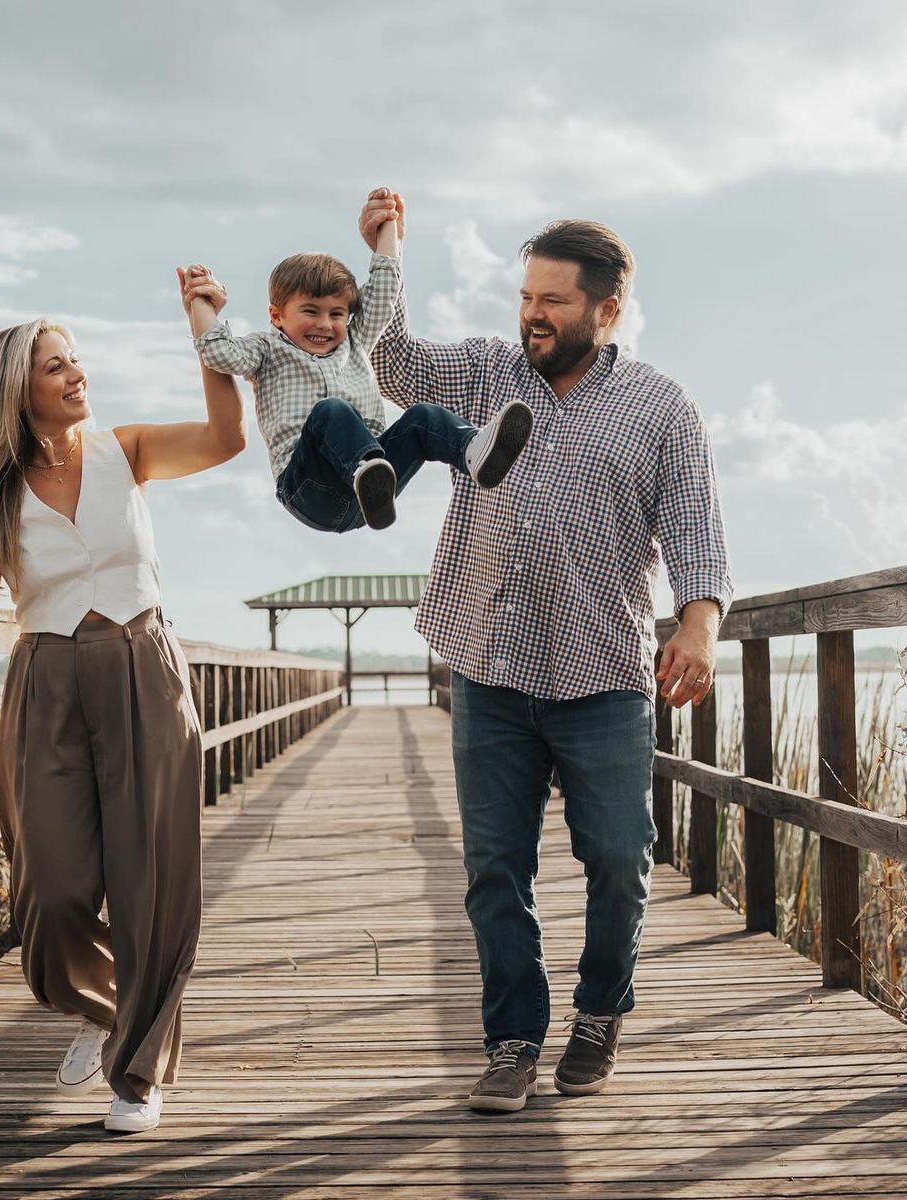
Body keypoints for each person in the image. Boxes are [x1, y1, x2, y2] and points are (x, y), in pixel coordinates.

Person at [359, 187, 732, 1112]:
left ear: (607, 309)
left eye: (554, 301)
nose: (533, 314)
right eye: (527, 296)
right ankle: (513, 1041)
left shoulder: (661, 407)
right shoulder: (489, 372)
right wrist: (387, 250)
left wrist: (699, 623)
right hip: (488, 662)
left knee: (620, 860)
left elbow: (695, 530)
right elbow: (394, 361)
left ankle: (599, 1012)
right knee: (495, 870)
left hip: (603, 673)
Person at [0, 276, 244, 1134]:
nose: (78, 374)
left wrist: (207, 329)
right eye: (56, 366)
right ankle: (108, 1004)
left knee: (152, 883)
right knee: (53, 892)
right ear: (17, 391)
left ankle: (138, 1076)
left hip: (144, 668)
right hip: (46, 686)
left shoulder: (126, 450)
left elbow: (228, 437)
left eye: (76, 360)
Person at [184, 214, 532, 533]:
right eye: (311, 311)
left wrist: (388, 230)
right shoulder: (266, 348)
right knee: (331, 410)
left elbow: (384, 292)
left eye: (336, 314)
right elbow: (218, 353)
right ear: (276, 316)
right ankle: (368, 470)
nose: (325, 324)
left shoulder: (356, 339)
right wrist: (203, 303)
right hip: (309, 487)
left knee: (422, 417)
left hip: (367, 500)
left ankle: (472, 450)